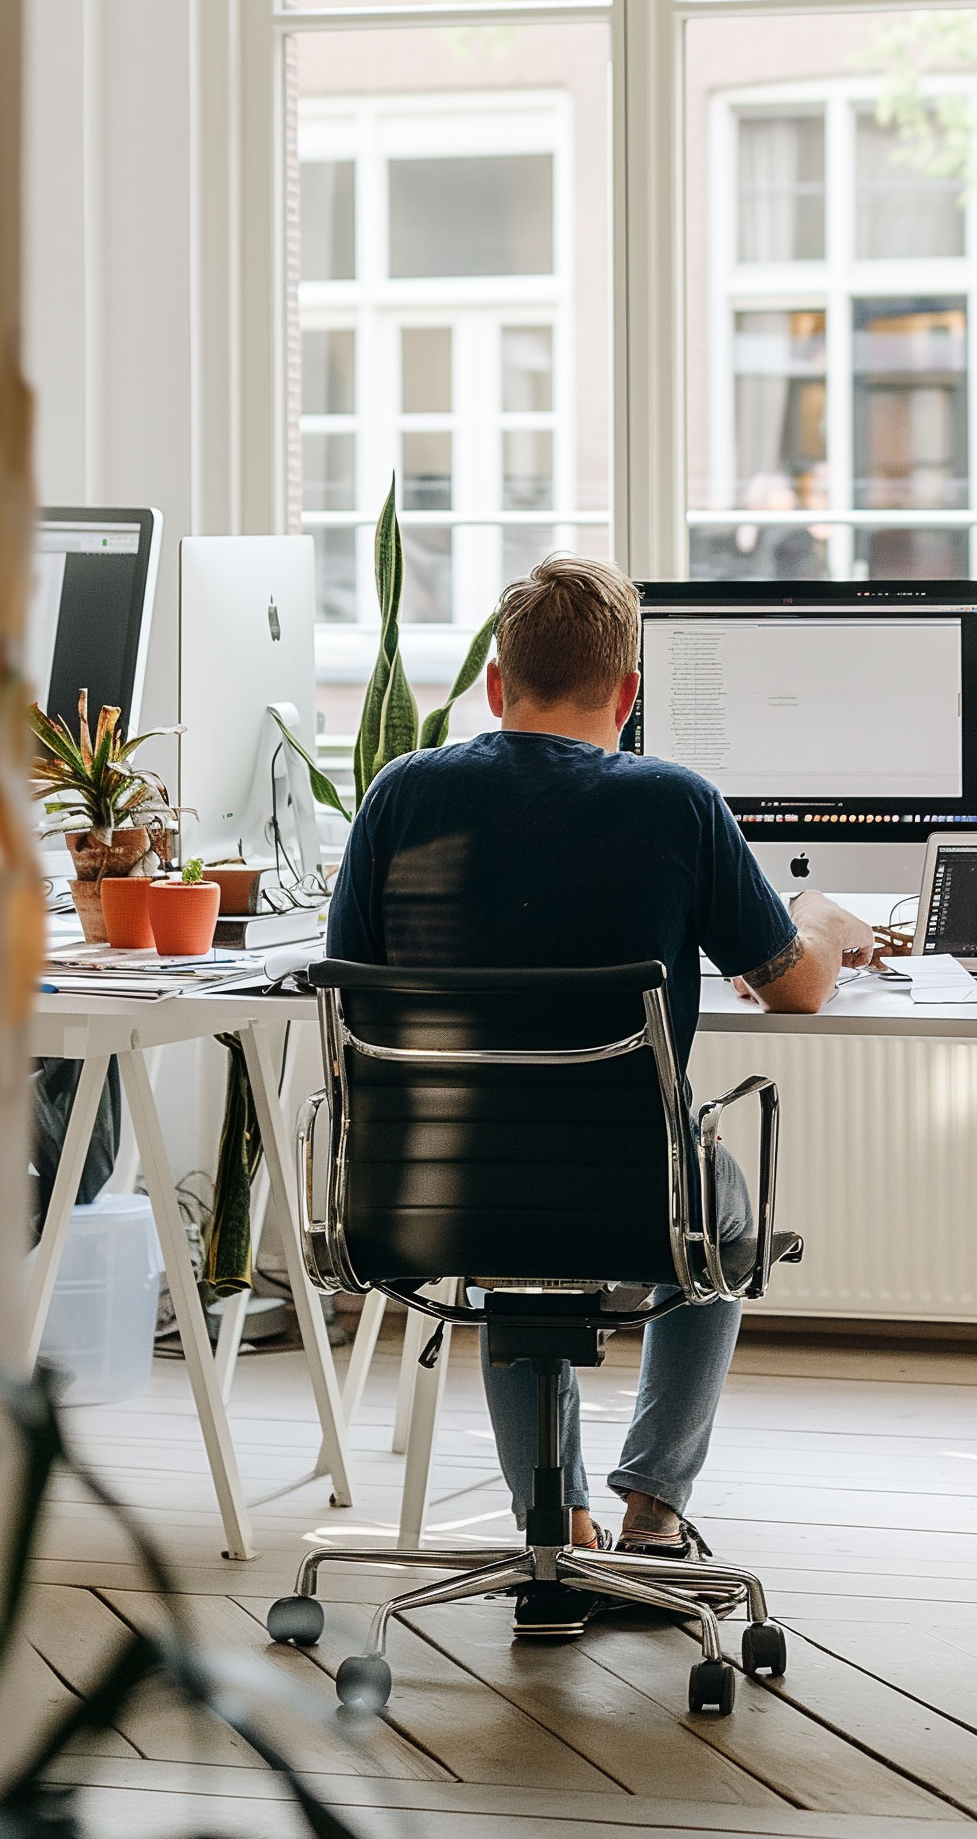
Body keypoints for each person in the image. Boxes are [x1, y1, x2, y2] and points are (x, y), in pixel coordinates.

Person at [326, 554, 873, 1631]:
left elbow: (357, 996)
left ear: (495, 683)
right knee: (720, 1214)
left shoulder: (400, 793)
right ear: (627, 697)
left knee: (504, 1238)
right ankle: (654, 1509)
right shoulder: (674, 800)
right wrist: (822, 919)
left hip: (435, 1179)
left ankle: (551, 1521)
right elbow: (796, 990)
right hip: (636, 1187)